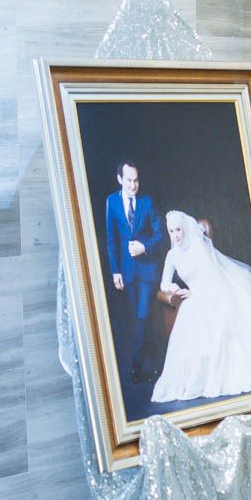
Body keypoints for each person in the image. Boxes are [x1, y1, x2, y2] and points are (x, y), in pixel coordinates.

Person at [151, 211, 251, 403]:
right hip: (192, 298)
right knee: (189, 318)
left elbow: (211, 278)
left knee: (214, 319)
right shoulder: (172, 255)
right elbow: (163, 283)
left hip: (211, 292)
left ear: (184, 229)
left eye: (178, 230)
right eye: (171, 231)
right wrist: (172, 287)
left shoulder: (198, 247)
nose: (176, 235)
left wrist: (194, 293)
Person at [105, 160, 163, 383]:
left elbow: (160, 236)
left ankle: (135, 368)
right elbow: (111, 239)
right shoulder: (111, 201)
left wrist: (144, 247)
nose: (133, 185)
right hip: (127, 272)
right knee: (137, 319)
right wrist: (115, 271)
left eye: (136, 180)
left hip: (147, 271)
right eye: (128, 180)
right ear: (120, 179)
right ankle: (154, 365)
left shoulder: (148, 202)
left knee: (142, 316)